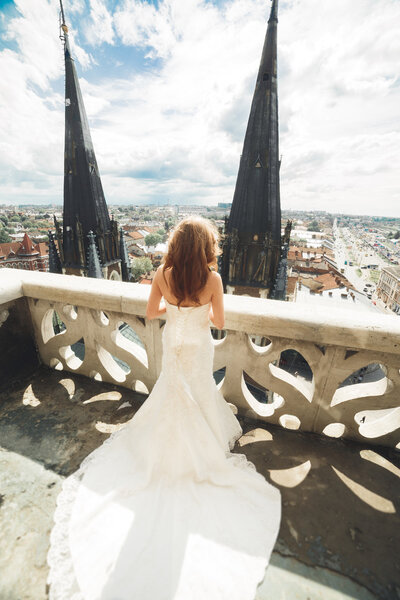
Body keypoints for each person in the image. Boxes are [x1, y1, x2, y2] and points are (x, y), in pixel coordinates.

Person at [47, 216, 281, 600]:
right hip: (199, 346)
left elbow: (151, 313)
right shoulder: (214, 281)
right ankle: (202, 444)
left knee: (173, 393)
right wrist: (199, 310)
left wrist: (177, 308)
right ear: (205, 247)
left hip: (173, 341)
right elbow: (219, 322)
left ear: (175, 244)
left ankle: (166, 448)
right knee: (200, 392)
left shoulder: (162, 273)